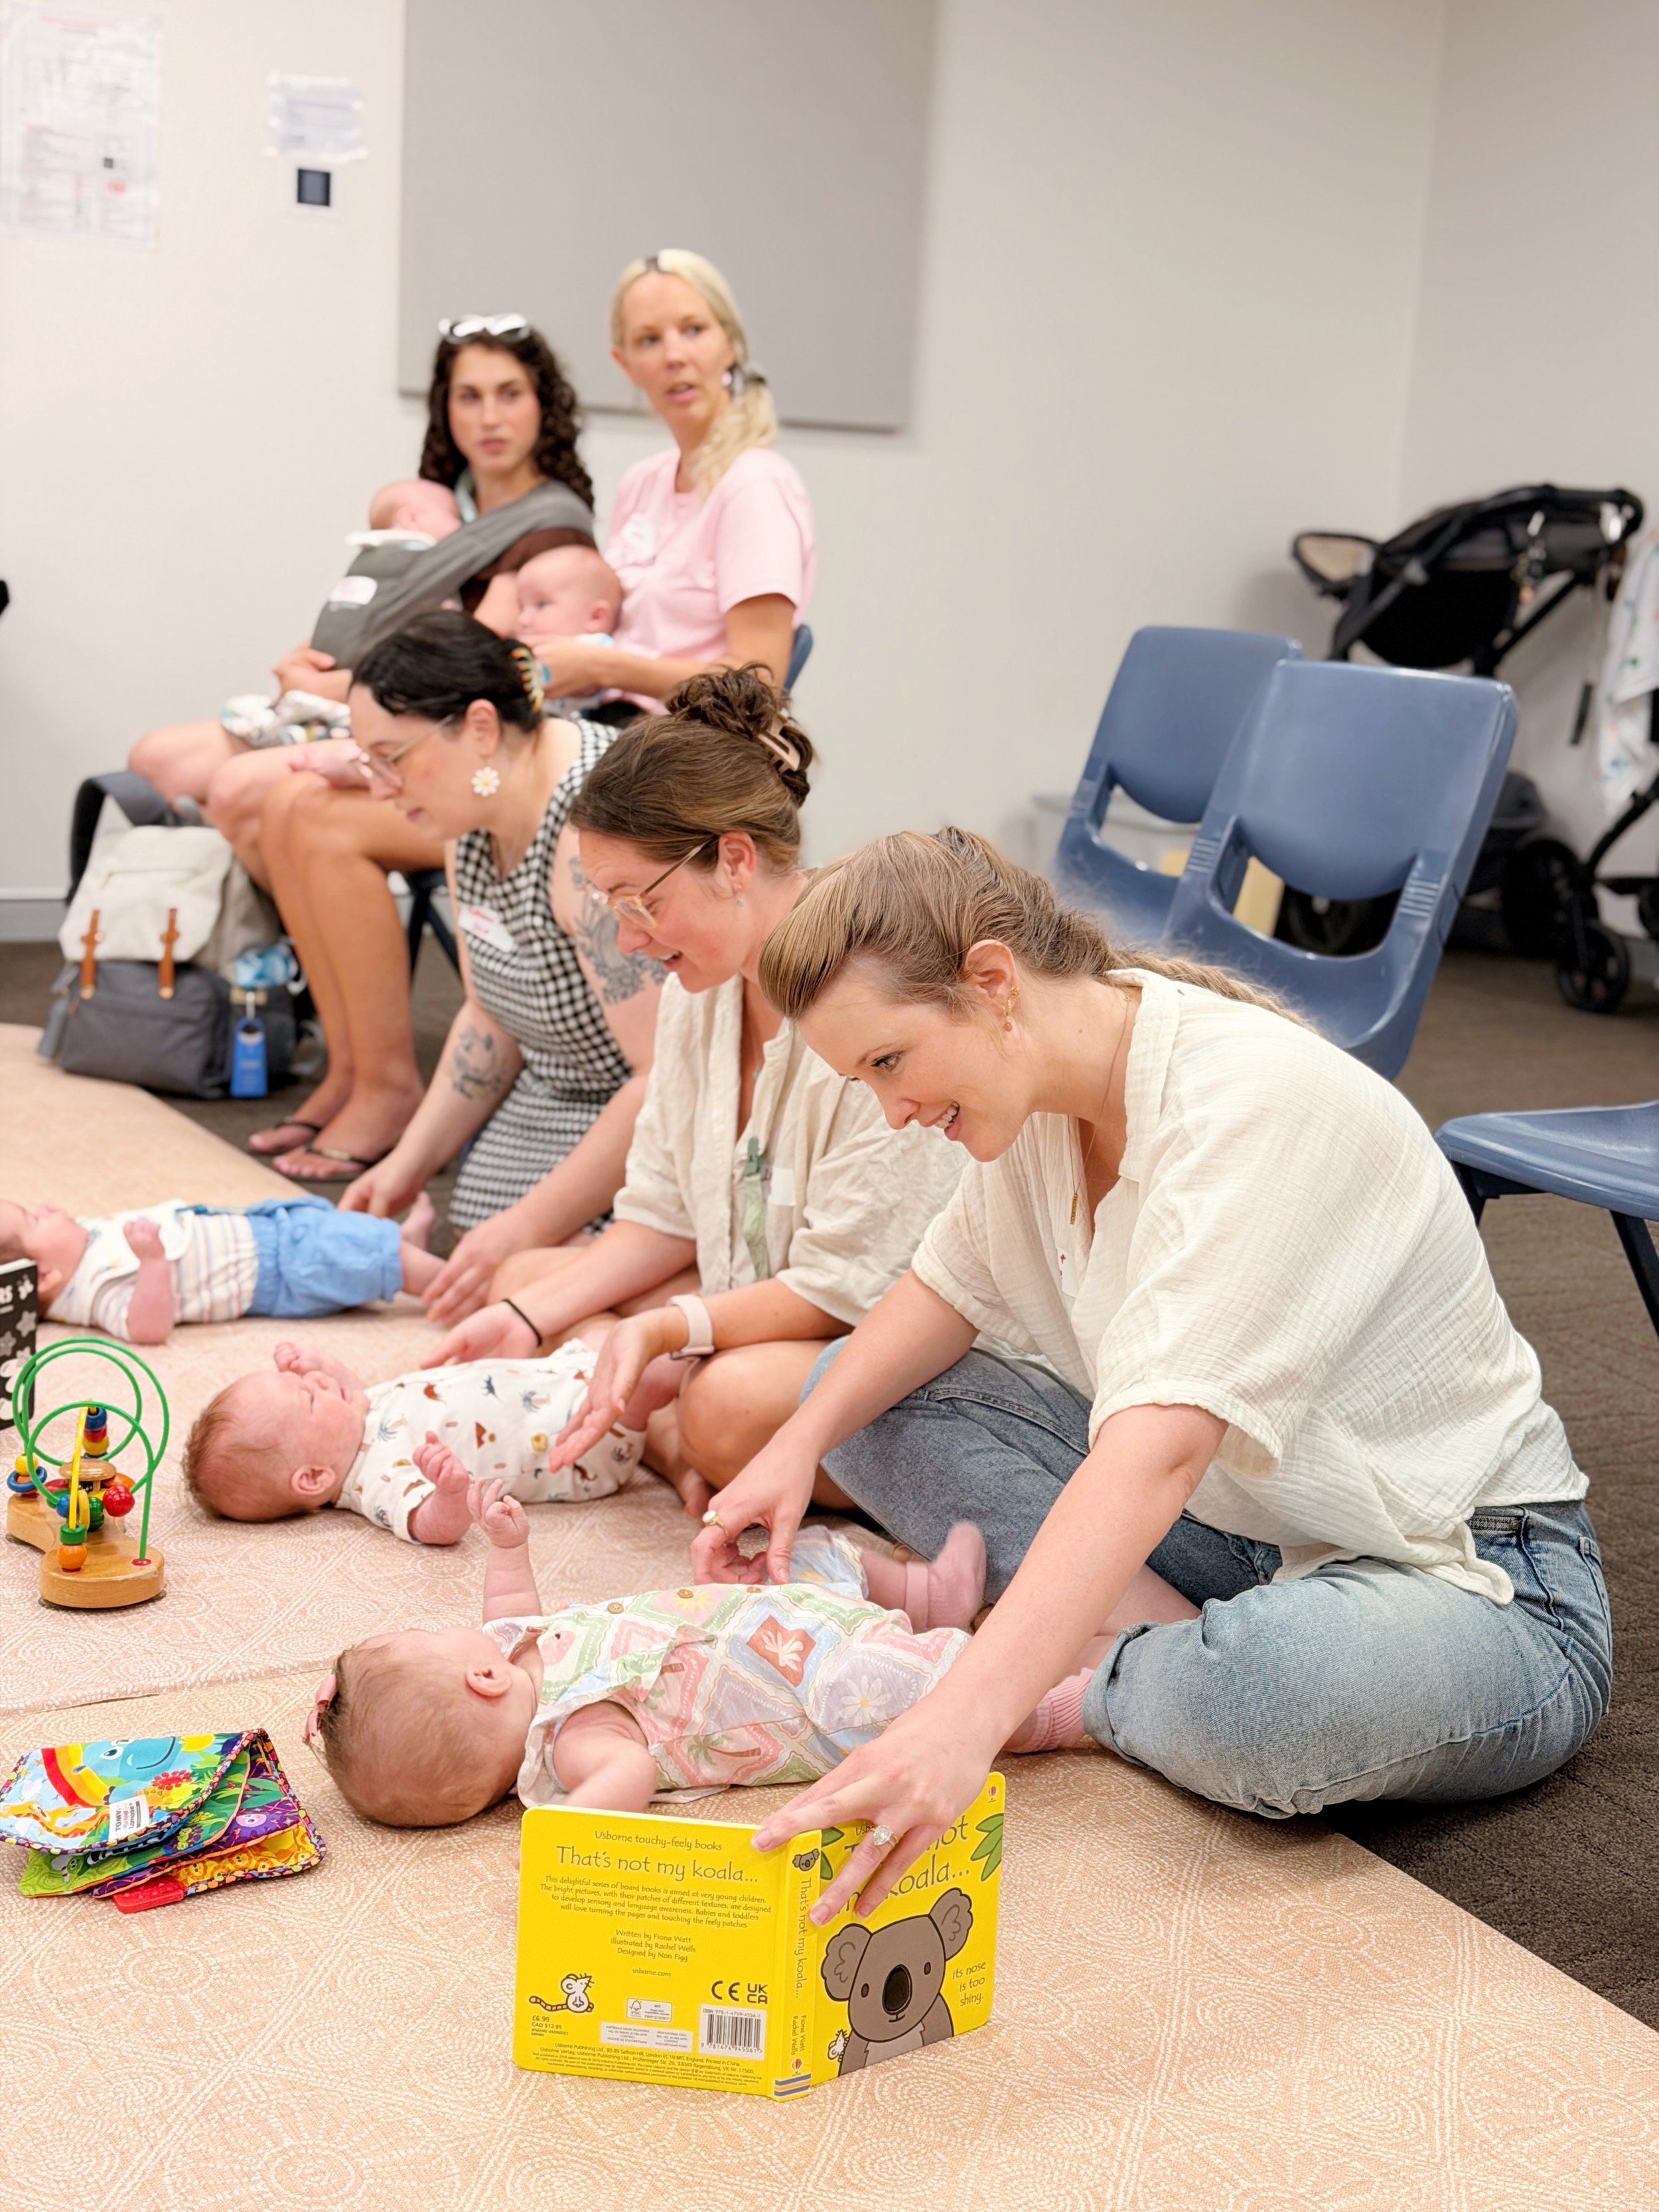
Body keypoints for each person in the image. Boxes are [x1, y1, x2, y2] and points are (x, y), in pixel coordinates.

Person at [687, 828, 1613, 1925]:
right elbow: (942, 1292)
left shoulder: (1247, 1104)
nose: (893, 1109)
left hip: (1475, 1579)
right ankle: (1149, 1648)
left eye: (890, 1062)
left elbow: (1159, 1452)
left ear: (993, 982)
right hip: (1246, 1528)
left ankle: (1103, 1678)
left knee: (1273, 1696)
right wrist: (794, 1447)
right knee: (850, 1386)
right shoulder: (1042, 1095)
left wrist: (969, 1716)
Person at [425, 670, 963, 1515]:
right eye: (610, 907)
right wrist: (527, 1318)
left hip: (871, 1335)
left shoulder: (863, 996)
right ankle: (678, 1441)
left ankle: (687, 1442)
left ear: (735, 859)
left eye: (641, 902)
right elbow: (663, 1214)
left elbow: (851, 1291)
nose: (628, 939)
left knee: (722, 1403)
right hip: (761, 1303)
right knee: (528, 1282)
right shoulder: (698, 991)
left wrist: (673, 1332)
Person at [304, 1477, 1078, 1828]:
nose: (461, 1630)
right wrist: (566, 1836)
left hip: (770, 1618)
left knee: (802, 1556)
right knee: (935, 1691)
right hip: (813, 1693)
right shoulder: (575, 1744)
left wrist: (509, 1548)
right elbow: (630, 1776)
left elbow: (510, 1613)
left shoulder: (520, 1657)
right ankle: (1068, 1705)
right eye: (430, 1638)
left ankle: (927, 1594)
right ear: (479, 1678)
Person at [273, 613, 659, 1232]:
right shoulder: (476, 809)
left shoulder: (592, 832)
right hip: (557, 1097)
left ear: (480, 726)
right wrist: (407, 1165)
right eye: (368, 763)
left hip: (653, 1131)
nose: (379, 789)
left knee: (519, 1289)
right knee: (479, 1266)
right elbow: (489, 1015)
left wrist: (526, 1229)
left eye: (390, 758)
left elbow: (664, 1080)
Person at [130, 321, 596, 811]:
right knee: (157, 759)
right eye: (469, 397)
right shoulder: (430, 505)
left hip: (434, 722)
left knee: (239, 787)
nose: (489, 417)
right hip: (357, 689)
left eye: (509, 394)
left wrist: (328, 686)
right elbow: (373, 603)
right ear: (444, 407)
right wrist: (305, 658)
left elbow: (482, 661)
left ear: (543, 402)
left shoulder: (551, 525)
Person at [528, 250, 816, 715]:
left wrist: (603, 666)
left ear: (732, 344)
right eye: (648, 340)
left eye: (694, 330)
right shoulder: (642, 482)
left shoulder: (756, 486)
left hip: (684, 752)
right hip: (610, 725)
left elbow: (758, 682)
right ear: (624, 364)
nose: (674, 356)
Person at [180, 1338, 647, 1539]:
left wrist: (316, 1362)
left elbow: (351, 1389)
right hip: (577, 1433)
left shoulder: (357, 1416)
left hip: (554, 1375)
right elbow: (430, 1526)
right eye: (307, 1397)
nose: (322, 1382)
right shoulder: (378, 1479)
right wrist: (448, 1493)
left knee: (612, 1336)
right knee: (652, 1370)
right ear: (314, 1477)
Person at [0, 1193, 440, 1345]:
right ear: (44, 1278)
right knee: (355, 1254)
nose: (47, 1207)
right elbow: (146, 1328)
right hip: (281, 1268)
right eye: (35, 1218)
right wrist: (153, 1260)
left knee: (351, 1240)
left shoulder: (79, 1247)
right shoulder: (94, 1291)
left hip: (261, 1228)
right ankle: (456, 1283)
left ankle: (402, 1247)